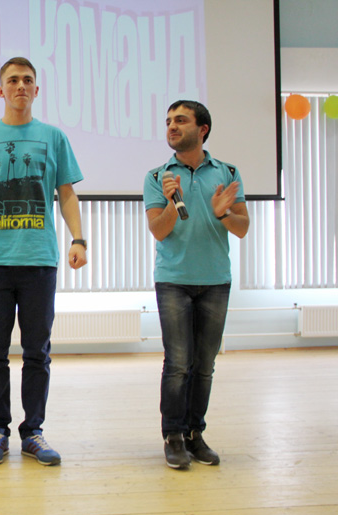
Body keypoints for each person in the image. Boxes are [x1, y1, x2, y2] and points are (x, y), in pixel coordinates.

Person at [0, 57, 87, 466]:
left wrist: (79, 238)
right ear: (1, 90)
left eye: (27, 80)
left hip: (39, 260)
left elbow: (66, 193)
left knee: (37, 352)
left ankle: (33, 432)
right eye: (12, 80)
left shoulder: (54, 137)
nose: (20, 86)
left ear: (36, 89)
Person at [144, 100, 250, 470]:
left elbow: (242, 228)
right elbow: (158, 230)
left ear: (202, 129)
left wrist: (224, 213)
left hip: (215, 280)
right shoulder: (158, 176)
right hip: (173, 280)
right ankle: (173, 436)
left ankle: (194, 434)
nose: (172, 127)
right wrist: (171, 203)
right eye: (168, 121)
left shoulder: (228, 172)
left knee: (204, 364)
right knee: (178, 363)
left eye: (181, 120)